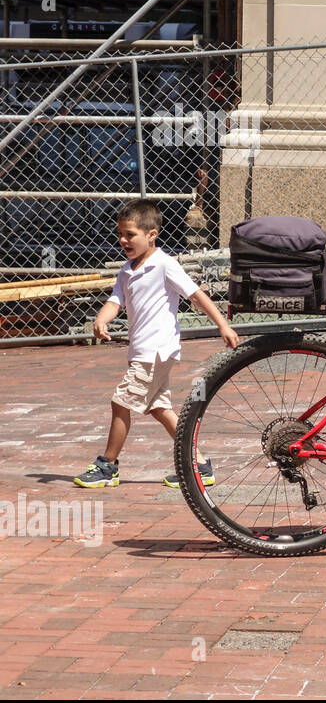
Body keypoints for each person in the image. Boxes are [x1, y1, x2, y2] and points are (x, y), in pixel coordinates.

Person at [75, 199, 239, 488]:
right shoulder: (127, 270)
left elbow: (196, 295)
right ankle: (199, 465)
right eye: (120, 234)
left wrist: (223, 324)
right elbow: (116, 301)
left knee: (120, 402)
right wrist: (102, 318)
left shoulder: (164, 265)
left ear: (151, 235)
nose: (123, 240)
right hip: (143, 352)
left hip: (156, 351)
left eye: (130, 234)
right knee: (159, 409)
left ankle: (107, 465)